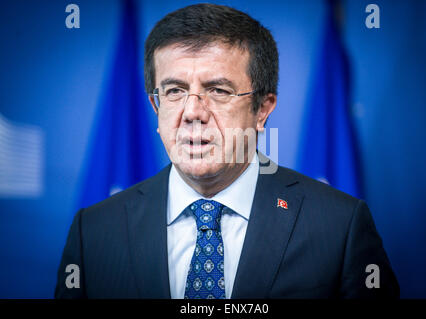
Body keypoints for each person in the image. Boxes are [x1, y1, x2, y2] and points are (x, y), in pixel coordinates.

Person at [55, 3, 399, 299]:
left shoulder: (340, 226)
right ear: (155, 107)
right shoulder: (94, 232)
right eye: (174, 91)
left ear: (263, 109)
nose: (192, 112)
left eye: (218, 90)